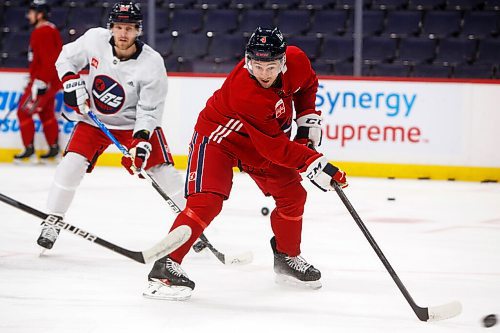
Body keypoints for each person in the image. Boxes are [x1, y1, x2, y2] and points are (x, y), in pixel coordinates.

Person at [143, 27, 348, 301]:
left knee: (292, 194)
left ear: (284, 62)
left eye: (271, 66)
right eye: (257, 65)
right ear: (248, 61)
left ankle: (287, 257)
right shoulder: (246, 91)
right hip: (219, 138)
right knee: (207, 201)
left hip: (260, 141)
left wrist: (307, 119)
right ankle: (165, 267)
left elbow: (307, 85)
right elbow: (274, 148)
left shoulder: (297, 61)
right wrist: (314, 163)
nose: (263, 74)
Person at [36, 1, 185, 251]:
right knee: (70, 165)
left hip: (134, 125)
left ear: (138, 30)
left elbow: (149, 111)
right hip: (94, 121)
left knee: (164, 173)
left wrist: (141, 142)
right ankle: (53, 218)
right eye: (118, 27)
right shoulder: (94, 39)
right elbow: (65, 58)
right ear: (111, 28)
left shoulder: (152, 63)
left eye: (129, 28)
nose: (123, 34)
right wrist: (70, 80)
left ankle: (191, 223)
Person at [14, 0, 63, 162]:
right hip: (48, 81)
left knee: (23, 112)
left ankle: (29, 150)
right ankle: (54, 149)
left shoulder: (43, 32)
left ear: (40, 14)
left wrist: (41, 81)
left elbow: (49, 60)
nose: (28, 16)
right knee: (46, 112)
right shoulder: (48, 30)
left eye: (31, 12)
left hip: (44, 82)